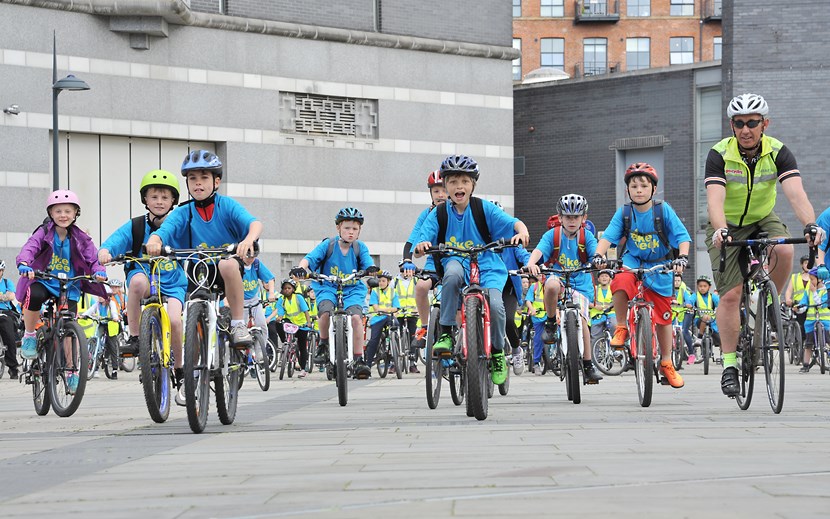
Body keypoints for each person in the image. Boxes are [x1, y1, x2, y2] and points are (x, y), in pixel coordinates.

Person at [705, 93, 825, 397]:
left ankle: (770, 304)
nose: (746, 129)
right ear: (732, 126)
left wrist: (811, 225)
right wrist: (720, 230)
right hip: (727, 224)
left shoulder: (779, 152)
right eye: (739, 123)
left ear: (765, 124)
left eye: (753, 122)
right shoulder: (719, 154)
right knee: (731, 296)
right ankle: (730, 366)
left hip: (762, 218)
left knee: (785, 248)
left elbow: (796, 194)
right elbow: (715, 201)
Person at [413, 154, 530, 387]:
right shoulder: (439, 213)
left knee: (496, 306)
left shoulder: (483, 208)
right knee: (452, 275)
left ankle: (497, 353)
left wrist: (522, 231)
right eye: (454, 182)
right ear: (445, 187)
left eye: (465, 182)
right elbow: (421, 243)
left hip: (488, 266)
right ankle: (446, 332)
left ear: (472, 185)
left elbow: (513, 222)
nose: (459, 186)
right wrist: (420, 248)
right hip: (455, 260)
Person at [145, 151, 263, 348]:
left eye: (204, 177)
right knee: (194, 316)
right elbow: (164, 230)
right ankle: (196, 369)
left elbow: (255, 224)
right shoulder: (184, 211)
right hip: (197, 269)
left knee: (226, 264)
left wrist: (248, 240)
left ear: (216, 182)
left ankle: (237, 323)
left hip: (226, 269)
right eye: (193, 178)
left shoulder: (226, 206)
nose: (198, 183)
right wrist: (154, 241)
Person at [593, 163, 691, 389]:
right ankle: (621, 327)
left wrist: (682, 258)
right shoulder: (624, 213)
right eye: (633, 185)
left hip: (660, 263)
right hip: (633, 260)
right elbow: (608, 237)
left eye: (643, 186)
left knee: (664, 317)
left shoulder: (663, 210)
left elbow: (682, 237)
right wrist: (599, 255)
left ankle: (666, 362)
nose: (638, 189)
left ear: (653, 189)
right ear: (628, 190)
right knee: (620, 278)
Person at [98, 169, 190, 399]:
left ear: (173, 201)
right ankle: (136, 337)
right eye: (154, 197)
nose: (159, 201)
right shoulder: (136, 226)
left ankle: (179, 367)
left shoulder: (179, 225)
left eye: (165, 197)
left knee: (177, 321)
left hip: (172, 282)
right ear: (145, 200)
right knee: (137, 283)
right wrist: (105, 252)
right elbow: (113, 242)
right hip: (145, 277)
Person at [16, 190, 107, 394]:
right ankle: (30, 335)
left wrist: (99, 271)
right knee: (35, 295)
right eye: (58, 211)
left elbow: (92, 259)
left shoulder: (81, 238)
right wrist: (24, 263)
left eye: (68, 211)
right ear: (51, 213)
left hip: (69, 285)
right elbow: (30, 248)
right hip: (45, 280)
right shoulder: (43, 232)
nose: (63, 215)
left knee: (69, 329)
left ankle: (71, 371)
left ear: (76, 213)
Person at [290, 207, 379, 379]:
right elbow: (309, 258)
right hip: (327, 287)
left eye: (355, 229)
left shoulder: (360, 248)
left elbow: (369, 263)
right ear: (338, 228)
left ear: (359, 231)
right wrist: (301, 268)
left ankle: (359, 359)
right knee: (324, 312)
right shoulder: (328, 245)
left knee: (356, 319)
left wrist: (371, 270)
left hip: (352, 289)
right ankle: (323, 345)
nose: (350, 232)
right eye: (346, 228)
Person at [526, 194, 603, 383]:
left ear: (583, 218)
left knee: (583, 321)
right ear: (560, 218)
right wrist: (531, 263)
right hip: (558, 276)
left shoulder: (587, 236)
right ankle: (551, 322)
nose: (572, 221)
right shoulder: (553, 235)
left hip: (581, 283)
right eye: (567, 217)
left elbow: (596, 254)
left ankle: (587, 365)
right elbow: (539, 250)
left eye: (576, 217)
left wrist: (599, 261)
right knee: (551, 285)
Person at [401, 170, 448, 345]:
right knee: (421, 287)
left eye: (443, 190)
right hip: (433, 263)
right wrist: (407, 260)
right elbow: (412, 240)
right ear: (430, 193)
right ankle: (425, 326)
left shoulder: (456, 211)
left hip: (455, 261)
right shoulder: (427, 214)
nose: (440, 195)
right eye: (436, 191)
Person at [272, 278, 312, 377]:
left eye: (289, 288)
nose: (287, 290)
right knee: (278, 324)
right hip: (290, 323)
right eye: (285, 288)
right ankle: (286, 341)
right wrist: (279, 317)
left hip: (301, 324)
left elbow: (305, 311)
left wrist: (308, 322)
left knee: (302, 346)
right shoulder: (282, 299)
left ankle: (303, 369)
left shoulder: (298, 297)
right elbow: (280, 311)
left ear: (293, 289)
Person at [364, 271, 401, 371]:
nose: (381, 283)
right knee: (373, 340)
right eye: (379, 281)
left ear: (388, 282)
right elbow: (376, 308)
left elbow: (396, 308)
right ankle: (368, 364)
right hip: (377, 318)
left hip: (388, 317)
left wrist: (383, 309)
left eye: (383, 281)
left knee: (396, 325)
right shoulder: (375, 291)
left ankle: (395, 351)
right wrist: (389, 310)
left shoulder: (393, 292)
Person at [797, 268, 829, 373]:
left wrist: (815, 292)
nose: (810, 282)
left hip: (825, 320)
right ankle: (806, 364)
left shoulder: (826, 291)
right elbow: (804, 304)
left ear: (820, 279)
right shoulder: (808, 291)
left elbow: (820, 304)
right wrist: (799, 308)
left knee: (829, 340)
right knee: (808, 344)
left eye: (812, 279)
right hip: (811, 321)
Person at [393, 266, 420, 374]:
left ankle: (413, 363)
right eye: (405, 270)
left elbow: (422, 296)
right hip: (398, 313)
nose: (407, 273)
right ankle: (394, 362)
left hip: (413, 313)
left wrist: (419, 309)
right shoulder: (395, 281)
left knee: (414, 338)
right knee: (395, 336)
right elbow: (390, 296)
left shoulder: (416, 280)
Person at [784, 255, 811, 355]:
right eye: (805, 263)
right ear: (801, 265)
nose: (807, 264)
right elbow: (789, 291)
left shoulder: (815, 276)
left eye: (809, 262)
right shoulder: (795, 277)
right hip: (798, 305)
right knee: (800, 326)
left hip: (811, 304)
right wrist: (788, 299)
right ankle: (797, 346)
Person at [692, 275, 720, 362]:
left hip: (712, 322)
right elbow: (690, 300)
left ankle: (723, 356)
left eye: (705, 286)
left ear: (709, 287)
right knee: (705, 316)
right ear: (697, 287)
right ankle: (699, 338)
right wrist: (689, 304)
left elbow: (720, 303)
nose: (702, 288)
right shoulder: (695, 296)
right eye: (700, 286)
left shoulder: (712, 297)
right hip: (700, 321)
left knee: (720, 339)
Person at [0, 261, 20, 379]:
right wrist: (3, 296)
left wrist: (3, 297)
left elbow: (11, 296)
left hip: (4, 312)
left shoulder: (7, 282)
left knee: (9, 335)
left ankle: (13, 367)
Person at [524, 274, 547, 374]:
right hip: (537, 315)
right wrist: (532, 309)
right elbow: (528, 300)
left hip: (550, 315)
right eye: (539, 275)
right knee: (538, 338)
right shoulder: (534, 287)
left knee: (558, 334)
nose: (541, 276)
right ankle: (536, 362)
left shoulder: (551, 285)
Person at [671, 273, 695, 364]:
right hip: (671, 313)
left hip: (682, 313)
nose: (677, 283)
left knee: (684, 332)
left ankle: (691, 354)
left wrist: (688, 303)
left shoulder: (683, 289)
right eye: (675, 281)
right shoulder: (669, 288)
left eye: (678, 281)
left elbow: (688, 298)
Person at [590, 269, 617, 349]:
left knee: (614, 326)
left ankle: (614, 349)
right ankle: (595, 357)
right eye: (602, 276)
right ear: (598, 279)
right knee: (595, 336)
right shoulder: (594, 289)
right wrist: (595, 306)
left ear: (610, 279)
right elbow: (587, 301)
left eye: (606, 276)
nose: (604, 278)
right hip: (597, 315)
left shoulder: (613, 288)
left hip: (611, 313)